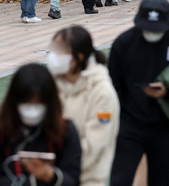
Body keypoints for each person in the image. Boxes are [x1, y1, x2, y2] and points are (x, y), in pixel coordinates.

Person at [108, 0, 169, 186]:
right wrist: (124, 112)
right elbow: (115, 83)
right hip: (130, 124)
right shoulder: (124, 43)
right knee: (119, 178)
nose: (152, 33)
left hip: (167, 124)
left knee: (161, 179)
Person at [0, 63, 82, 185]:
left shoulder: (65, 130)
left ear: (50, 103)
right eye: (27, 103)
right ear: (14, 101)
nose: (32, 110)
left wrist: (49, 176)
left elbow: (73, 179)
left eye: (38, 104)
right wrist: (31, 182)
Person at [48, 26, 120, 185]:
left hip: (87, 178)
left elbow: (95, 145)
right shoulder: (51, 84)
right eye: (53, 49)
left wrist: (59, 170)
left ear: (78, 57)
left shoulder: (102, 92)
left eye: (60, 51)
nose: (53, 56)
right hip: (51, 177)